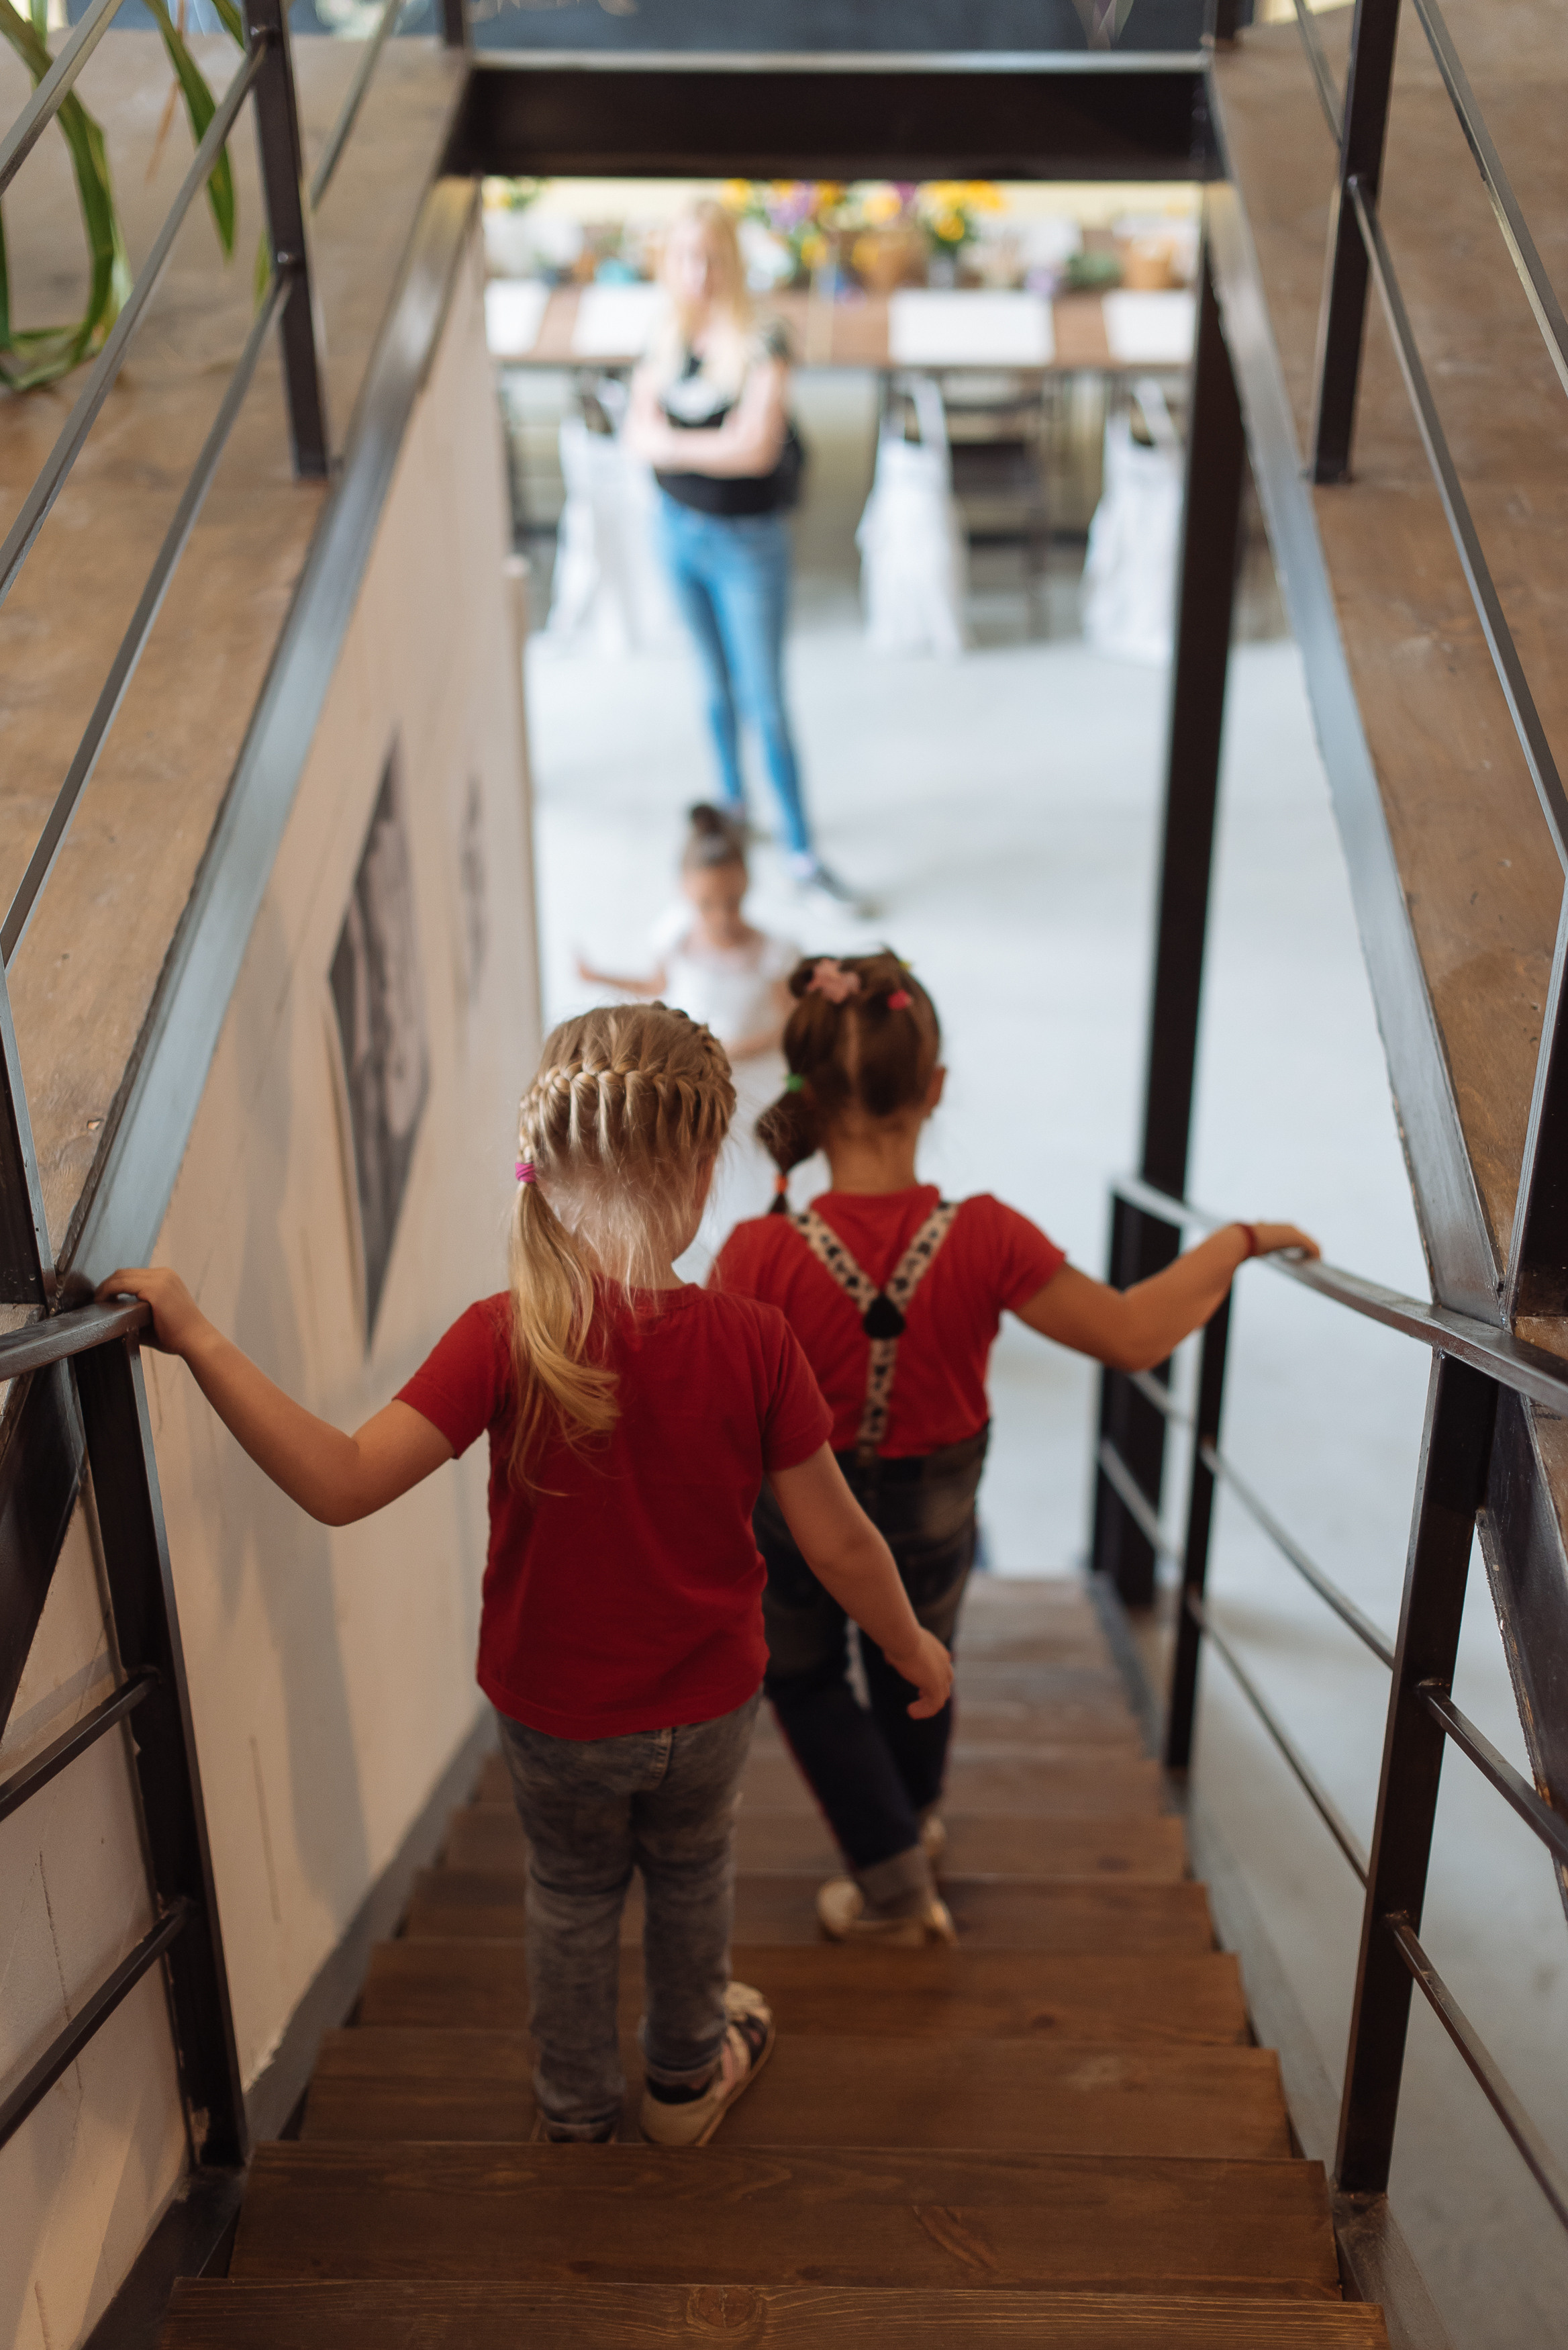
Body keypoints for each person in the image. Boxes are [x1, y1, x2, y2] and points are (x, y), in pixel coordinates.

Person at [99, 1004, 951, 2141]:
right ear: (703, 1173)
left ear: (543, 1170)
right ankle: (687, 2082)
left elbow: (343, 1481)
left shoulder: (504, 1335)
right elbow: (839, 1540)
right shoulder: (754, 1344)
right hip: (704, 1708)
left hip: (555, 1715)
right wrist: (908, 1644)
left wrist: (199, 1337)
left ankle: (574, 2102)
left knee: (571, 1892)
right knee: (693, 1876)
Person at [712, 951, 1319, 1946]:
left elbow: (720, 1413)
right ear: (935, 1089)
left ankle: (891, 1873)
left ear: (805, 1097)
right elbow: (1131, 1334)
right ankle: (915, 1821)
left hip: (802, 1510)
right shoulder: (986, 1236)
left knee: (807, 1675)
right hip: (936, 1503)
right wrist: (1238, 1241)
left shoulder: (759, 1252)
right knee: (922, 1659)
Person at [626, 200, 859, 910]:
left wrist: (672, 446)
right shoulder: (663, 335)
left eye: (711, 257)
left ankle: (799, 849)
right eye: (684, 257)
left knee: (764, 700)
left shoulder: (764, 340)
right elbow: (638, 434)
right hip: (676, 532)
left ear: (730, 262)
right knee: (710, 688)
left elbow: (755, 448)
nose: (698, 273)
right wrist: (699, 449)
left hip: (746, 545)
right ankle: (733, 810)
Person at [577, 802, 799, 1262]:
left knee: (753, 1164)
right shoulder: (674, 937)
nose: (720, 916)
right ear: (683, 891)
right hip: (694, 1080)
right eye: (706, 904)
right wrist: (601, 977)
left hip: (752, 1082)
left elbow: (790, 1024)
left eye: (732, 903)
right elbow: (657, 987)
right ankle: (716, 1240)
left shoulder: (774, 953)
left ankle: (759, 1243)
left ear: (747, 887)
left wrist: (734, 1049)